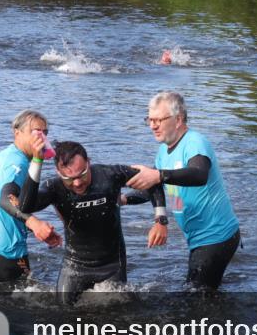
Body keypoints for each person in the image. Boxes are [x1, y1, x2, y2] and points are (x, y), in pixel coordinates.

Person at [18, 141, 167, 304]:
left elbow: (153, 179)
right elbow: (25, 205)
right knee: (62, 312)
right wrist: (37, 161)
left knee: (117, 317)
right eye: (69, 178)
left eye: (82, 174)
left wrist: (160, 220)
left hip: (111, 265)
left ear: (89, 162)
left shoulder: (109, 174)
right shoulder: (54, 187)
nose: (77, 183)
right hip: (74, 264)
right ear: (58, 172)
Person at [126, 92, 240, 290]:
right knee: (204, 292)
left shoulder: (194, 142)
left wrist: (159, 175)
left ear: (178, 119)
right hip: (198, 237)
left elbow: (199, 174)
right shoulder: (164, 151)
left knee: (195, 298)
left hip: (216, 236)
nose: (152, 126)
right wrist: (122, 200)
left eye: (158, 120)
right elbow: (154, 187)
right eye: (150, 120)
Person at [0, 110, 60, 287]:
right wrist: (34, 223)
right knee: (27, 312)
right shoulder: (17, 163)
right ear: (17, 132)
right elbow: (6, 199)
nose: (41, 137)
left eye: (45, 133)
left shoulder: (6, 155)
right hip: (5, 256)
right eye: (36, 132)